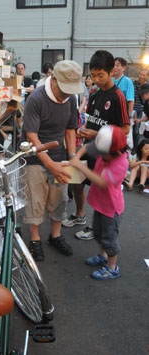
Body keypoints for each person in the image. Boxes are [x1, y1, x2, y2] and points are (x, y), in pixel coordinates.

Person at [62, 50, 130, 241]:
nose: (97, 79)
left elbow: (125, 129)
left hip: (107, 153)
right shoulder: (93, 94)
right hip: (89, 146)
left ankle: (96, 226)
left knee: (100, 191)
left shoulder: (118, 96)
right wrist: (83, 130)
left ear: (111, 73)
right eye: (93, 75)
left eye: (101, 75)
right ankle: (79, 214)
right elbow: (91, 121)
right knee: (77, 181)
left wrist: (97, 134)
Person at [21, 60, 83, 262]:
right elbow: (32, 136)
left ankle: (55, 235)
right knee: (36, 199)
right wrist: (50, 165)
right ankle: (35, 239)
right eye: (64, 89)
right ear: (53, 79)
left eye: (69, 91)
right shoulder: (36, 98)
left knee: (60, 198)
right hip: (35, 155)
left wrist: (72, 157)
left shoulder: (71, 99)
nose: (65, 94)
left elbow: (70, 129)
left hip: (60, 156)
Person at [70, 125, 128, 280]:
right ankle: (103, 256)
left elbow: (102, 182)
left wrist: (80, 167)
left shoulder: (121, 164)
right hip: (101, 205)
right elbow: (87, 147)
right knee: (98, 233)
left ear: (115, 152)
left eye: (103, 154)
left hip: (111, 209)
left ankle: (112, 267)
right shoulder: (107, 150)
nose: (100, 156)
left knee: (109, 239)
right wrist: (76, 156)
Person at [132, 68, 148, 150]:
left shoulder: (147, 86)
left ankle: (136, 148)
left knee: (136, 131)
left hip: (139, 111)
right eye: (140, 74)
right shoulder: (133, 83)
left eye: (144, 75)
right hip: (131, 111)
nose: (141, 76)